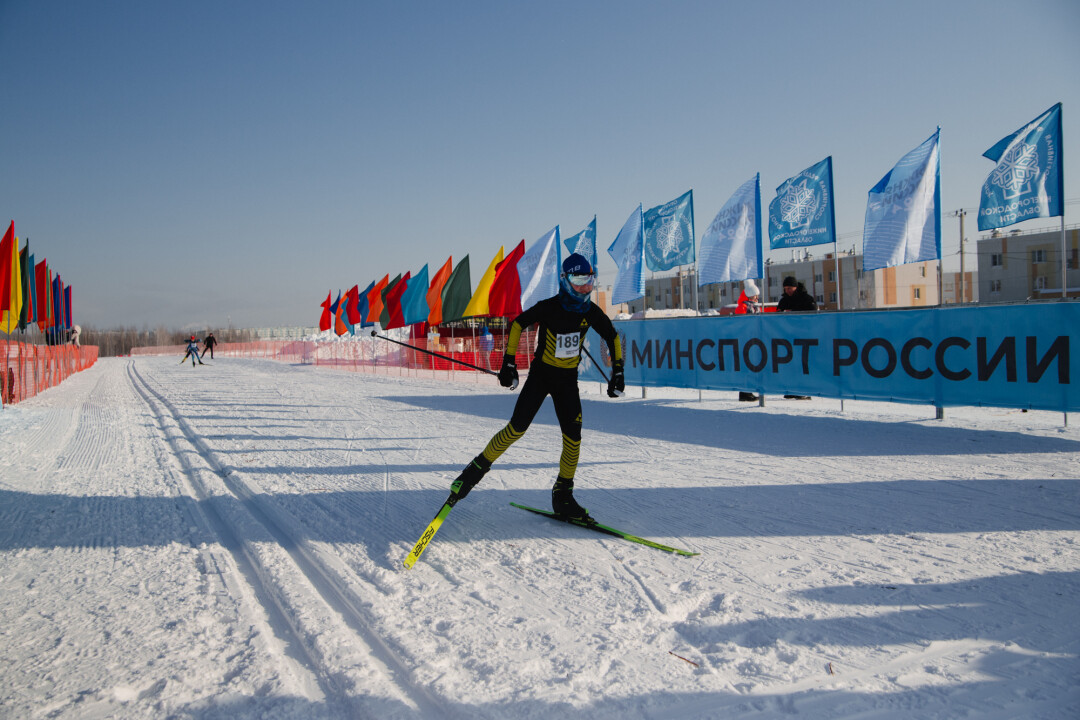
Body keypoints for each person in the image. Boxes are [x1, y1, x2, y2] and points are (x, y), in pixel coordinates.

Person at [447, 253, 624, 520]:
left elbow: (612, 335)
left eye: (589, 280)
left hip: (567, 382)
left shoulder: (590, 311)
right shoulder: (550, 307)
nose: (584, 286)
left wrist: (618, 371)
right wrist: (509, 363)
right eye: (578, 279)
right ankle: (471, 474)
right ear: (565, 280)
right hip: (541, 377)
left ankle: (563, 496)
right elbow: (518, 323)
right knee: (515, 429)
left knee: (573, 439)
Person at [777, 276, 815, 398]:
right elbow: (777, 316)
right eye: (785, 288)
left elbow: (813, 313)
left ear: (795, 287)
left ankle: (804, 390)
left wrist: (793, 312)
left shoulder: (806, 299)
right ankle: (791, 389)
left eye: (789, 288)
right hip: (788, 337)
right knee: (790, 364)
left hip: (804, 336)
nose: (787, 291)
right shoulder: (783, 300)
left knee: (803, 364)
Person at [736, 279, 762, 402]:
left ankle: (749, 390)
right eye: (755, 296)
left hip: (754, 339)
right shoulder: (743, 306)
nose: (757, 298)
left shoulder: (754, 306)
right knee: (747, 366)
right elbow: (741, 322)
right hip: (746, 339)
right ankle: (745, 392)